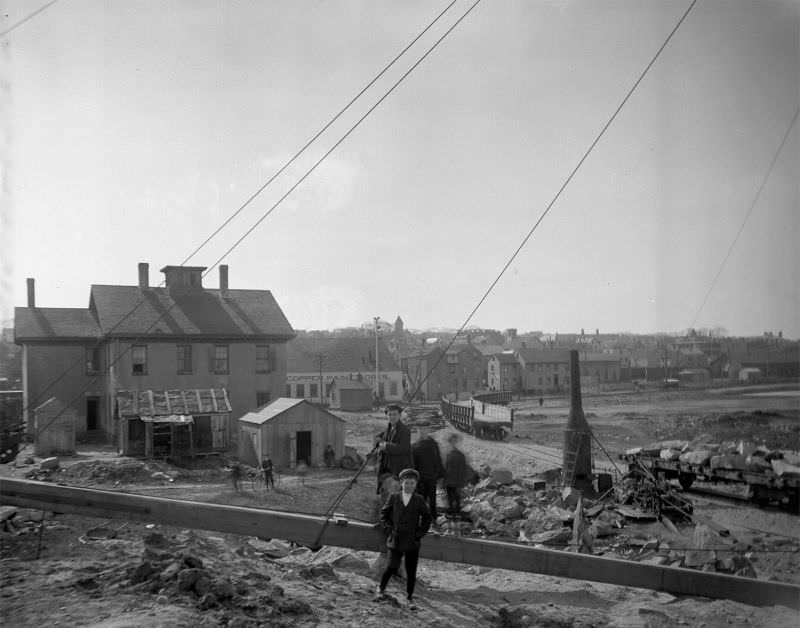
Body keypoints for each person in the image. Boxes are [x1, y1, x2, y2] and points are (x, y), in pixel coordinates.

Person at [376, 468, 432, 610]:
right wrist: (390, 530)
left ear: (415, 484)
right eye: (407, 483)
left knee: (411, 570)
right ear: (401, 483)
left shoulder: (419, 500)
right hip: (396, 539)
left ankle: (409, 597)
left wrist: (419, 534)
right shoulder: (394, 497)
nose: (409, 486)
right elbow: (384, 514)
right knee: (392, 566)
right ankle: (381, 589)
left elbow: (427, 517)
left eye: (412, 483)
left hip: (412, 541)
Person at [375, 403, 413, 492]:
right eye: (389, 415)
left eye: (394, 414)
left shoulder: (405, 430)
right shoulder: (388, 429)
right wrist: (380, 442)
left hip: (398, 466)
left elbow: (403, 448)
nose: (392, 417)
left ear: (399, 415)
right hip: (386, 466)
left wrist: (386, 446)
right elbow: (377, 438)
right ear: (387, 416)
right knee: (385, 489)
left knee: (397, 491)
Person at [412, 427, 443, 521]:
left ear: (428, 430)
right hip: (420, 478)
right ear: (418, 431)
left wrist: (437, 474)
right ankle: (419, 518)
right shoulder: (415, 446)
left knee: (432, 499)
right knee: (421, 498)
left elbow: (438, 460)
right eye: (421, 430)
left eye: (425, 429)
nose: (423, 432)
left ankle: (433, 517)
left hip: (431, 477)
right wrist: (416, 477)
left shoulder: (434, 444)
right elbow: (413, 463)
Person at [443, 433, 468, 517]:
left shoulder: (460, 455)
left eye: (454, 442)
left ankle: (457, 512)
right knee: (450, 498)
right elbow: (445, 468)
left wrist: (461, 483)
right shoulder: (448, 454)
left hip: (456, 481)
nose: (453, 444)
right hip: (449, 481)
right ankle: (451, 512)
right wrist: (444, 480)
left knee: (457, 498)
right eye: (451, 442)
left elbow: (462, 470)